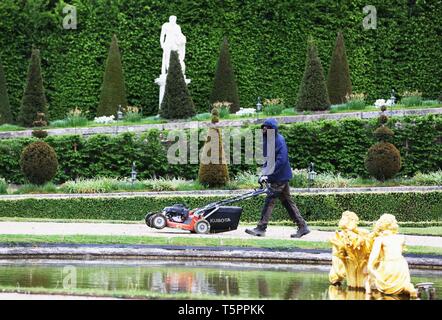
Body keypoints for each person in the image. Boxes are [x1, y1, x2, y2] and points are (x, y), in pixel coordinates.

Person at [245, 118, 310, 238]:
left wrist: (268, 175)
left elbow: (281, 160)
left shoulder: (279, 140)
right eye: (263, 127)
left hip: (280, 176)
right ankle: (302, 226)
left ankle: (261, 228)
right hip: (278, 176)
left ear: (272, 129)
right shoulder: (267, 141)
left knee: (270, 200)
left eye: (267, 127)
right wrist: (263, 174)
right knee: (287, 202)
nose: (264, 129)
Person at [365, 214, 417, 298]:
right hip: (401, 266)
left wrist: (374, 273)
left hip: (388, 267)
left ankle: (368, 293)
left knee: (371, 277)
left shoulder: (380, 239)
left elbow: (372, 261)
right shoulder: (401, 238)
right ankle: (411, 290)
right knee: (405, 285)